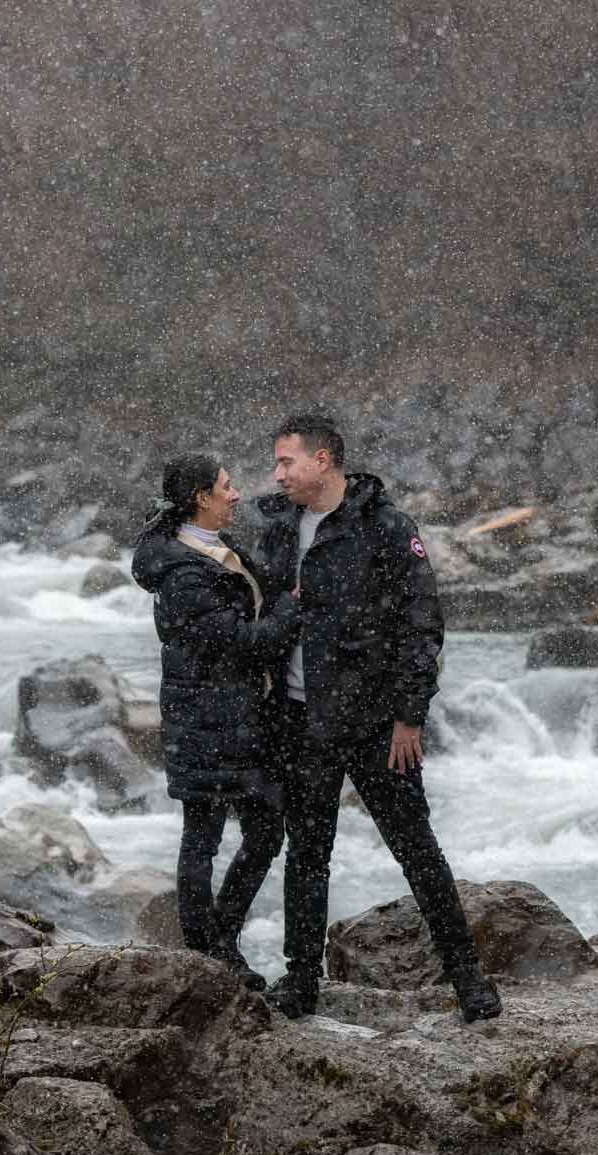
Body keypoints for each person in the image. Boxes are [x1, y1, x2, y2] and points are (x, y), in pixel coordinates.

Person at [254, 414, 502, 1022]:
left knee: (416, 850)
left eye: (287, 462)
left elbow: (422, 625)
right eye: (276, 463)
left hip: (374, 724)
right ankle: (301, 980)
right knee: (307, 855)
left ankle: (469, 980)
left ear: (324, 460)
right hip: (299, 721)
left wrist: (409, 717)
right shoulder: (279, 527)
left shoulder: (385, 526)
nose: (277, 473)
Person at [132, 454, 300, 989]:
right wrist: (293, 612)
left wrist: (289, 530)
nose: (236, 495)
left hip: (239, 720)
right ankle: (205, 952)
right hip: (205, 722)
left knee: (264, 831)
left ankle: (221, 940)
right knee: (202, 837)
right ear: (201, 498)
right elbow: (241, 643)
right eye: (227, 488)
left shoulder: (214, 549)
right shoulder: (183, 571)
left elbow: (263, 590)